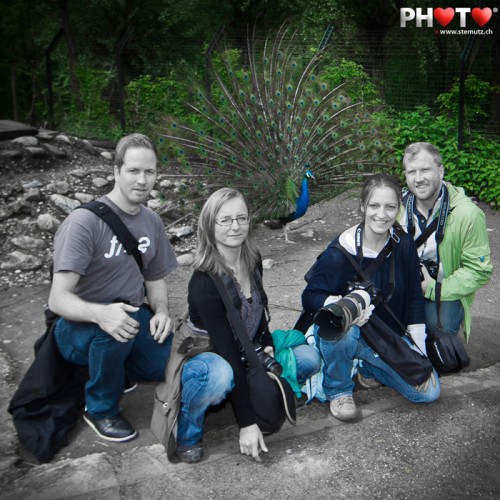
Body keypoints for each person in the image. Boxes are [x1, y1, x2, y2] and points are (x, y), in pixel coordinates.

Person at [174, 188, 320, 463]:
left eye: (241, 218)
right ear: (209, 225)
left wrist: (265, 341)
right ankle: (188, 429)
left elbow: (260, 312)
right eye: (225, 220)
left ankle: (241, 396)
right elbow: (228, 351)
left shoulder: (252, 258)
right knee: (221, 375)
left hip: (247, 350)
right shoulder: (204, 283)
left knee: (310, 357)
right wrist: (247, 424)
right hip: (212, 357)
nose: (235, 226)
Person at [48, 133, 178, 443]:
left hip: (130, 316)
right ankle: (101, 408)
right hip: (77, 327)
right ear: (116, 172)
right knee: (114, 327)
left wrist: (161, 311)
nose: (142, 179)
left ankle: (119, 371)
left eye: (150, 171)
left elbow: (155, 278)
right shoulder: (84, 223)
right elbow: (57, 299)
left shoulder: (152, 222)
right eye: (133, 170)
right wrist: (101, 314)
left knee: (170, 364)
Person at [302, 173, 440, 422]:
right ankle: (340, 389)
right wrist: (337, 305)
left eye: (390, 207)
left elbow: (414, 298)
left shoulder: (404, 245)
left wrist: (418, 350)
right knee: (341, 327)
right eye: (375, 205)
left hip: (385, 339)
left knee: (428, 392)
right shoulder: (340, 252)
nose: (382, 214)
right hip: (349, 335)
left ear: (399, 209)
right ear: (363, 206)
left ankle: (368, 369)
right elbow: (310, 296)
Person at [399, 142, 492, 341]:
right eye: (411, 172)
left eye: (425, 170)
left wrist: (434, 288)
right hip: (404, 283)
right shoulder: (396, 207)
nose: (418, 179)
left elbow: (479, 271)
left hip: (443, 285)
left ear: (440, 171)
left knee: (436, 334)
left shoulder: (468, 215)